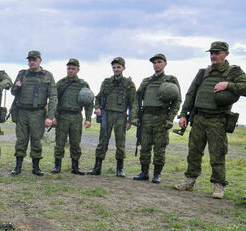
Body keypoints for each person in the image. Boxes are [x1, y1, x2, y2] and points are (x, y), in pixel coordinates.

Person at [174, 41, 246, 198]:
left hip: (218, 119)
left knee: (217, 153)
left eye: (217, 52)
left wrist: (228, 84)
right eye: (211, 53)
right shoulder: (202, 73)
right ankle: (189, 180)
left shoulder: (234, 72)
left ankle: (218, 185)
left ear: (226, 53)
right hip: (199, 118)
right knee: (194, 151)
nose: (213, 55)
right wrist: (184, 114)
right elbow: (190, 94)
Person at [133, 54, 181, 183]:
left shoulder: (171, 80)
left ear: (165, 63)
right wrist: (135, 116)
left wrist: (170, 118)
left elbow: (177, 101)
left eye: (159, 62)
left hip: (161, 117)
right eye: (154, 63)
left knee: (160, 147)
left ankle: (157, 174)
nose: (156, 65)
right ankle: (144, 173)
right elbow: (137, 99)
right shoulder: (146, 81)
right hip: (146, 117)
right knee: (145, 146)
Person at [10, 50, 57, 176]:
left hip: (38, 113)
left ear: (40, 60)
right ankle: (18, 166)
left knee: (36, 140)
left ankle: (36, 167)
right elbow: (13, 92)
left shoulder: (48, 76)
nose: (31, 62)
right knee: (21, 140)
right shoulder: (22, 74)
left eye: (34, 60)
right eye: (29, 60)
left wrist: (50, 116)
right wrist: (17, 87)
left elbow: (53, 97)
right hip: (22, 112)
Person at [88, 57, 136, 177]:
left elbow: (133, 103)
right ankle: (97, 167)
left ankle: (120, 169)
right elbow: (98, 98)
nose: (116, 69)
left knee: (120, 142)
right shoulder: (107, 82)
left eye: (118, 67)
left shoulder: (129, 84)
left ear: (123, 68)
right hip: (107, 114)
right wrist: (97, 108)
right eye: (114, 67)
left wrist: (130, 120)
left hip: (121, 115)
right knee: (103, 140)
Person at [51, 58, 93, 175]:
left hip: (76, 117)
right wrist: (52, 116)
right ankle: (57, 166)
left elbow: (89, 102)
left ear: (78, 70)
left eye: (73, 69)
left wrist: (88, 118)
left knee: (75, 142)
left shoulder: (83, 84)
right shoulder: (60, 83)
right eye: (69, 68)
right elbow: (53, 100)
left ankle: (75, 167)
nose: (70, 71)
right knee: (60, 142)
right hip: (62, 116)